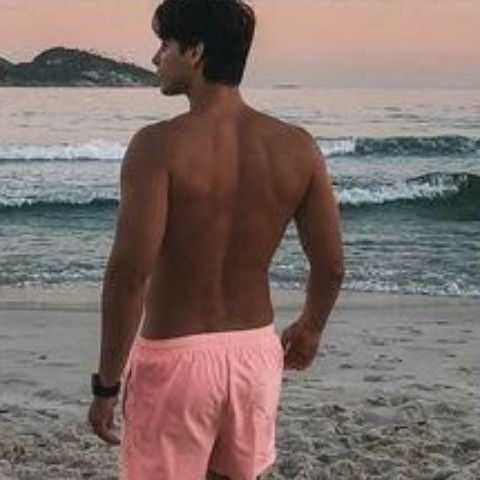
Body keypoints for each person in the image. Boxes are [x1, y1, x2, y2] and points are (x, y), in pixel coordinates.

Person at [87, 0, 344, 478]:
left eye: (165, 44)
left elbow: (128, 276)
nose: (156, 58)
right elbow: (330, 266)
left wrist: (106, 385)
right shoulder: (297, 146)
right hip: (255, 356)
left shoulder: (157, 146)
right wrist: (311, 326)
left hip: (175, 361)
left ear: (196, 52)